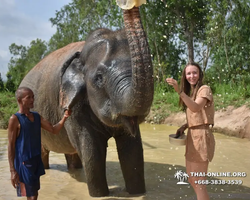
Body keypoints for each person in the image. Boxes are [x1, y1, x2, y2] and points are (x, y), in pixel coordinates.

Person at [8, 87, 71, 200]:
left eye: (33, 97)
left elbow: (54, 130)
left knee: (34, 194)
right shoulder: (15, 119)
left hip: (36, 160)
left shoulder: (36, 117)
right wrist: (13, 171)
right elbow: (11, 146)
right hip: (23, 163)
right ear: (20, 99)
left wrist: (65, 117)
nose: (32, 100)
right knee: (31, 196)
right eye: (29, 97)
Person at [166, 62, 215, 200]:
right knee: (192, 180)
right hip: (192, 137)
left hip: (201, 137)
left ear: (199, 74)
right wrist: (185, 126)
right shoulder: (193, 92)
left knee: (199, 183)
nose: (192, 76)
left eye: (194, 73)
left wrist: (179, 91)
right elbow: (197, 116)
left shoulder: (204, 89)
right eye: (188, 73)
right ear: (185, 76)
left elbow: (195, 107)